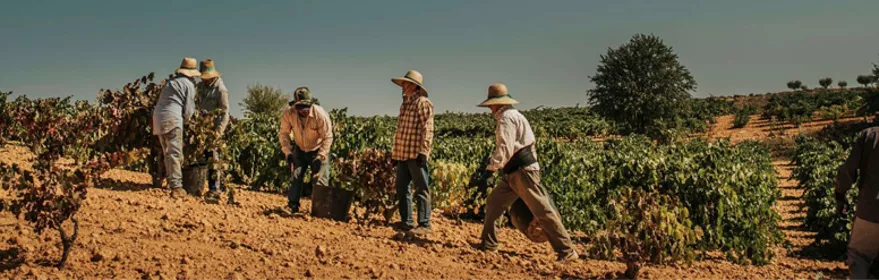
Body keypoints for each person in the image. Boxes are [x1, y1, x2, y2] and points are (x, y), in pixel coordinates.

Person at [474, 83, 578, 262]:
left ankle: (567, 251)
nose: (490, 108)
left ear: (497, 103)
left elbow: (504, 148)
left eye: (491, 104)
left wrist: (490, 170)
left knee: (542, 211)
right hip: (513, 172)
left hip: (522, 172)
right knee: (494, 203)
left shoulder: (506, 119)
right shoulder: (514, 115)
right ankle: (488, 244)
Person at [390, 70, 434, 237]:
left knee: (421, 189)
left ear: (415, 86)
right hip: (402, 154)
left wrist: (424, 151)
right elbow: (400, 131)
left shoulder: (423, 103)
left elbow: (427, 129)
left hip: (415, 154)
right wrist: (395, 154)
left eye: (406, 84)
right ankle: (407, 222)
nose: (403, 87)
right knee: (402, 188)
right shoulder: (405, 104)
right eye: (403, 84)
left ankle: (424, 224)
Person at [279, 87, 333, 214]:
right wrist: (288, 153)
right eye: (300, 107)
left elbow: (328, 137)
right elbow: (284, 134)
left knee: (319, 179)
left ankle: (320, 210)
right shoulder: (288, 113)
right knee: (296, 175)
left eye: (306, 106)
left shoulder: (320, 114)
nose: (303, 110)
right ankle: (292, 205)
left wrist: (320, 157)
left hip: (318, 148)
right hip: (300, 148)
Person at [152, 57, 200, 199]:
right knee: (175, 153)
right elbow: (189, 109)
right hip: (172, 118)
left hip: (158, 118)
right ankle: (177, 188)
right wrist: (187, 121)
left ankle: (171, 182)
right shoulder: (189, 85)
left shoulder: (170, 82)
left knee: (167, 152)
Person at [835, 126, 879, 279]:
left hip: (871, 210)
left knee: (859, 256)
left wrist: (840, 195)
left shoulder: (870, 135)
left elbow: (847, 171)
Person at [196, 59, 230, 203]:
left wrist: (218, 131)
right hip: (201, 128)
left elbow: (225, 113)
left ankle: (215, 189)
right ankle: (199, 186)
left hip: (214, 129)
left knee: (214, 158)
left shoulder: (221, 90)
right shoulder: (200, 87)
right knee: (200, 158)